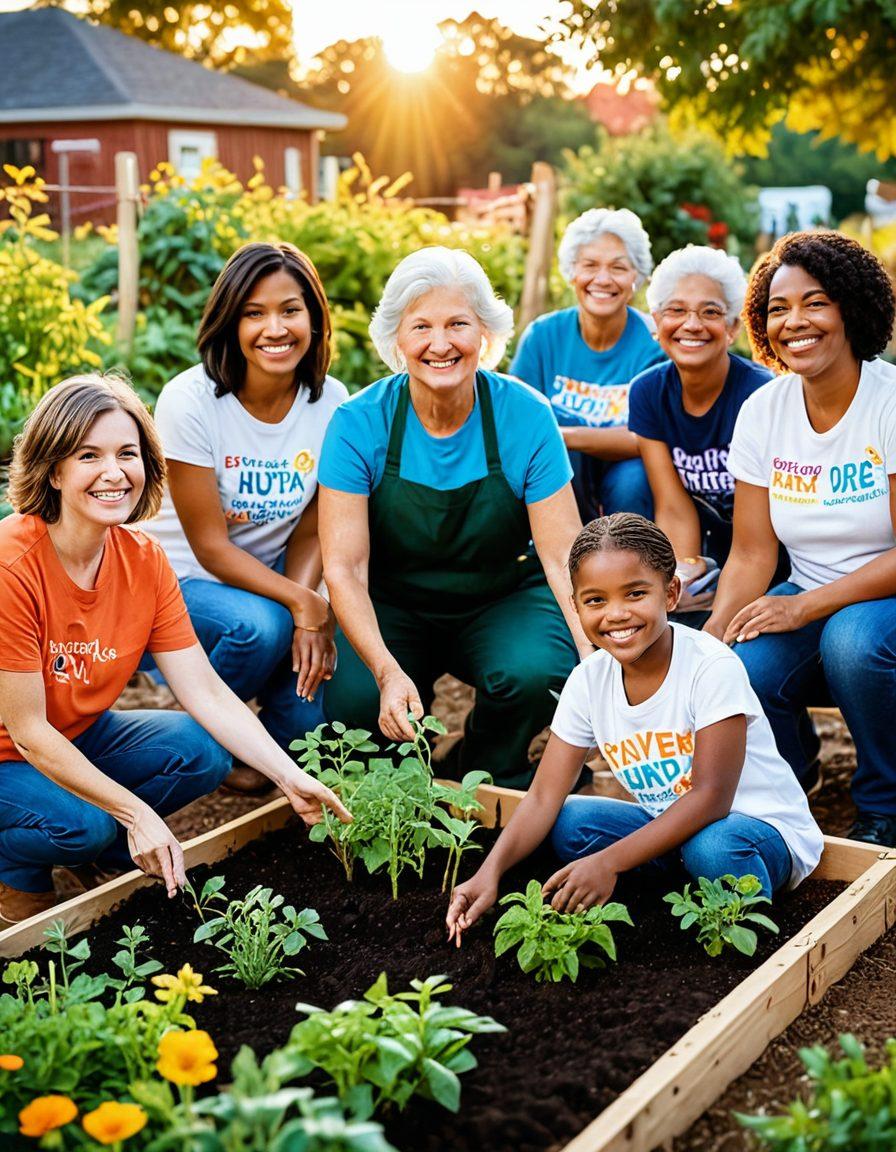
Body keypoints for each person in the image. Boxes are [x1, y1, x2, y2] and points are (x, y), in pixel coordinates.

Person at [0, 374, 349, 925]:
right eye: (89, 455)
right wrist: (135, 812)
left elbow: (205, 690)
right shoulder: (12, 565)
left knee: (201, 749)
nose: (114, 472)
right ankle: (16, 871)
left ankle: (98, 855)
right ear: (54, 468)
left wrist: (289, 777)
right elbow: (28, 732)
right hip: (12, 751)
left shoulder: (143, 559)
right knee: (82, 825)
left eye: (128, 453)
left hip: (74, 733)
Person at [446, 514, 822, 944]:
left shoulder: (710, 667)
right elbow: (544, 795)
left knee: (714, 850)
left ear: (672, 593)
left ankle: (735, 911)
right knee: (570, 821)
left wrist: (608, 862)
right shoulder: (589, 681)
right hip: (670, 828)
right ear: (575, 606)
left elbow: (711, 799)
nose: (616, 614)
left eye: (636, 593)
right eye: (595, 600)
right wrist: (488, 874)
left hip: (752, 830)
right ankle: (681, 886)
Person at [318, 246, 590, 790]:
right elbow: (344, 569)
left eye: (458, 324)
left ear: (485, 333)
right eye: (421, 326)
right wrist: (386, 671)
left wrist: (596, 666)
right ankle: (397, 789)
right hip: (393, 602)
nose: (440, 344)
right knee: (354, 700)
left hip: (501, 596)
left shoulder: (526, 415)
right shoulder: (357, 424)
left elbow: (564, 557)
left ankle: (481, 767)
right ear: (396, 337)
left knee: (537, 673)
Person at [704, 231, 896, 843]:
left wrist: (805, 605)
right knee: (742, 663)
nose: (795, 322)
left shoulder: (887, 404)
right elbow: (752, 552)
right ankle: (789, 788)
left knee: (852, 641)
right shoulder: (765, 410)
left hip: (876, 599)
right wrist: (709, 642)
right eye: (778, 308)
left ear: (850, 307)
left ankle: (883, 808)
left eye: (815, 302)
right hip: (808, 592)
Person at [146, 242, 347, 780]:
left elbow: (312, 526)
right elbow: (210, 548)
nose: (274, 328)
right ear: (230, 321)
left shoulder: (331, 404)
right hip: (182, 576)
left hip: (273, 576)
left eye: (290, 310)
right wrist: (300, 604)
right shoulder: (190, 400)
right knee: (259, 627)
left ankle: (269, 753)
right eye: (253, 313)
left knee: (310, 716)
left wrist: (310, 605)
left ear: (314, 317)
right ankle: (202, 736)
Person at [628, 245, 774, 620]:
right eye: (676, 311)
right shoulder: (647, 392)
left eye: (710, 312)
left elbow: (762, 535)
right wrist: (683, 575)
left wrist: (720, 609)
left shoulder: (759, 394)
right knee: (673, 610)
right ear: (657, 323)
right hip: (712, 554)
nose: (691, 324)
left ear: (732, 328)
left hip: (769, 556)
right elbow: (674, 507)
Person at [509, 208, 667, 521]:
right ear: (571, 272)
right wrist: (563, 441)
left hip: (630, 482)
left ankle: (629, 565)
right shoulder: (542, 337)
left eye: (618, 267)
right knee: (558, 459)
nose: (603, 279)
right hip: (561, 476)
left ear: (636, 276)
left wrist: (563, 434)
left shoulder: (655, 343)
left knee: (633, 478)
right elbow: (516, 421)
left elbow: (645, 438)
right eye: (590, 265)